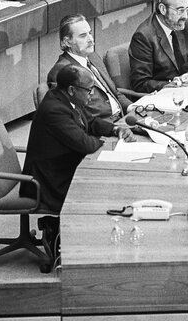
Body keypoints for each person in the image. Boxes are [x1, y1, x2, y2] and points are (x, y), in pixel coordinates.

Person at [20, 65, 135, 259]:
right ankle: (58, 232)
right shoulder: (54, 110)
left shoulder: (68, 99)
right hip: (48, 180)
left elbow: (89, 124)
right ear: (72, 90)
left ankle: (60, 228)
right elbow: (85, 144)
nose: (92, 94)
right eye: (89, 90)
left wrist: (115, 130)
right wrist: (106, 144)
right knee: (100, 186)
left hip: (61, 165)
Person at [47, 14, 131, 122]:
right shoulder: (61, 72)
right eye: (83, 36)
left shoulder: (93, 57)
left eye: (90, 33)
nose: (90, 39)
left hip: (124, 119)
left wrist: (133, 108)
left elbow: (114, 92)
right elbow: (75, 118)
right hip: (102, 130)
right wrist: (114, 128)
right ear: (67, 42)